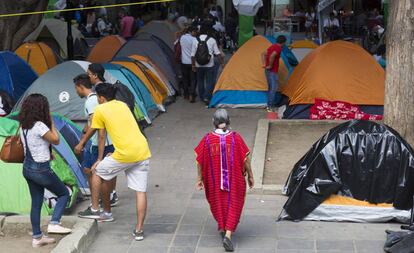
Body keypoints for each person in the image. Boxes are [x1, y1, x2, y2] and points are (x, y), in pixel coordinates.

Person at [76, 83, 151, 240]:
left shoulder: (100, 110)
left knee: (97, 171)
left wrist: (94, 155)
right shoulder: (123, 105)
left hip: (125, 154)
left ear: (101, 98)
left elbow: (100, 135)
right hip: (142, 150)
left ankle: (98, 210)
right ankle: (139, 231)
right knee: (140, 191)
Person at [195, 109, 254, 252]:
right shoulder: (236, 138)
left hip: (214, 180)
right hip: (234, 181)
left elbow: (199, 162)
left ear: (213, 122)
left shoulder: (207, 139)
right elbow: (245, 160)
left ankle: (223, 228)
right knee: (234, 203)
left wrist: (200, 179)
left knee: (218, 203)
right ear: (228, 122)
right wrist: (251, 175)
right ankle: (227, 235)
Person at [18, 94, 72, 248]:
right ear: (41, 108)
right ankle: (54, 223)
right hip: (40, 169)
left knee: (36, 203)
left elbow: (33, 144)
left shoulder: (24, 125)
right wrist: (52, 122)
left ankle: (37, 238)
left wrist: (48, 153)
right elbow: (56, 139)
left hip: (27, 168)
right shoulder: (40, 125)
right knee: (63, 193)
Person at [73, 74, 117, 209]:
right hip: (99, 142)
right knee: (96, 171)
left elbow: (95, 125)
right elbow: (90, 122)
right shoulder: (93, 99)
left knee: (94, 172)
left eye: (76, 88)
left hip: (98, 143)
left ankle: (96, 203)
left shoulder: (91, 101)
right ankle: (106, 198)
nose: (76, 91)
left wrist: (82, 142)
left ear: (80, 87)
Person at [191, 25, 224, 106]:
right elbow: (217, 53)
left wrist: (193, 65)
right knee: (209, 81)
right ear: (208, 32)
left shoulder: (195, 40)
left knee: (200, 80)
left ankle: (202, 97)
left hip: (198, 64)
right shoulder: (212, 40)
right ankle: (207, 97)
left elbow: (192, 55)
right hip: (209, 64)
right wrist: (222, 63)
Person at [261, 35, 286, 112]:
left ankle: (269, 105)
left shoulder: (272, 46)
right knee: (273, 88)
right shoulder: (278, 48)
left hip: (268, 71)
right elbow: (272, 55)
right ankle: (270, 106)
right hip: (272, 71)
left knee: (270, 88)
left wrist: (264, 64)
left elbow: (263, 54)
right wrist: (270, 65)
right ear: (283, 42)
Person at [180, 26, 198, 102]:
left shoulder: (182, 38)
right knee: (193, 79)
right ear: (192, 31)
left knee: (185, 79)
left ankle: (186, 94)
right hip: (192, 62)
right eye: (195, 32)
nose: (196, 33)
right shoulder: (194, 39)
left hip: (184, 62)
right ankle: (192, 94)